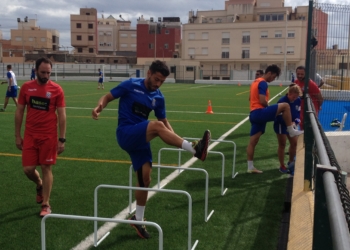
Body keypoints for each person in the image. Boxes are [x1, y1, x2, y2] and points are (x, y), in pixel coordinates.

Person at [92, 60, 211, 239]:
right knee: (154, 126)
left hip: (142, 140)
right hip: (126, 133)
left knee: (145, 180)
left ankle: (137, 219)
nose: (158, 84)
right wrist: (100, 106)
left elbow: (163, 122)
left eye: (162, 81)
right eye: (156, 79)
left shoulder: (159, 97)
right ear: (149, 73)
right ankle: (195, 149)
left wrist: (176, 138)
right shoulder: (131, 85)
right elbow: (108, 96)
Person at [15, 57, 66, 217]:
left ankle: (46, 203)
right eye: (43, 72)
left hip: (49, 136)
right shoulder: (26, 88)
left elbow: (62, 115)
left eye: (48, 73)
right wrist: (18, 135)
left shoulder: (57, 89)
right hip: (30, 135)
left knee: (46, 167)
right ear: (36, 70)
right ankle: (39, 184)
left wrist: (62, 139)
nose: (46, 75)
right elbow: (19, 112)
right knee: (28, 169)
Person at [247, 64, 303, 174]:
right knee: (285, 106)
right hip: (259, 112)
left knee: (253, 142)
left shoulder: (255, 82)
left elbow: (250, 98)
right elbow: (262, 100)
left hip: (253, 114)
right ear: (269, 73)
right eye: (274, 77)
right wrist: (268, 109)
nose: (273, 79)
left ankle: (250, 167)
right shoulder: (262, 83)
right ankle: (291, 129)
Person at [273, 84, 302, 174]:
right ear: (289, 93)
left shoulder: (298, 100)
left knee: (294, 143)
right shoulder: (281, 101)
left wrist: (296, 122)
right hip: (281, 125)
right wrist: (289, 123)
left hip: (291, 125)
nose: (295, 98)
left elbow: (298, 113)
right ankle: (282, 165)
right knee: (282, 144)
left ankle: (290, 162)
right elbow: (278, 116)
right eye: (293, 96)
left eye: (296, 96)